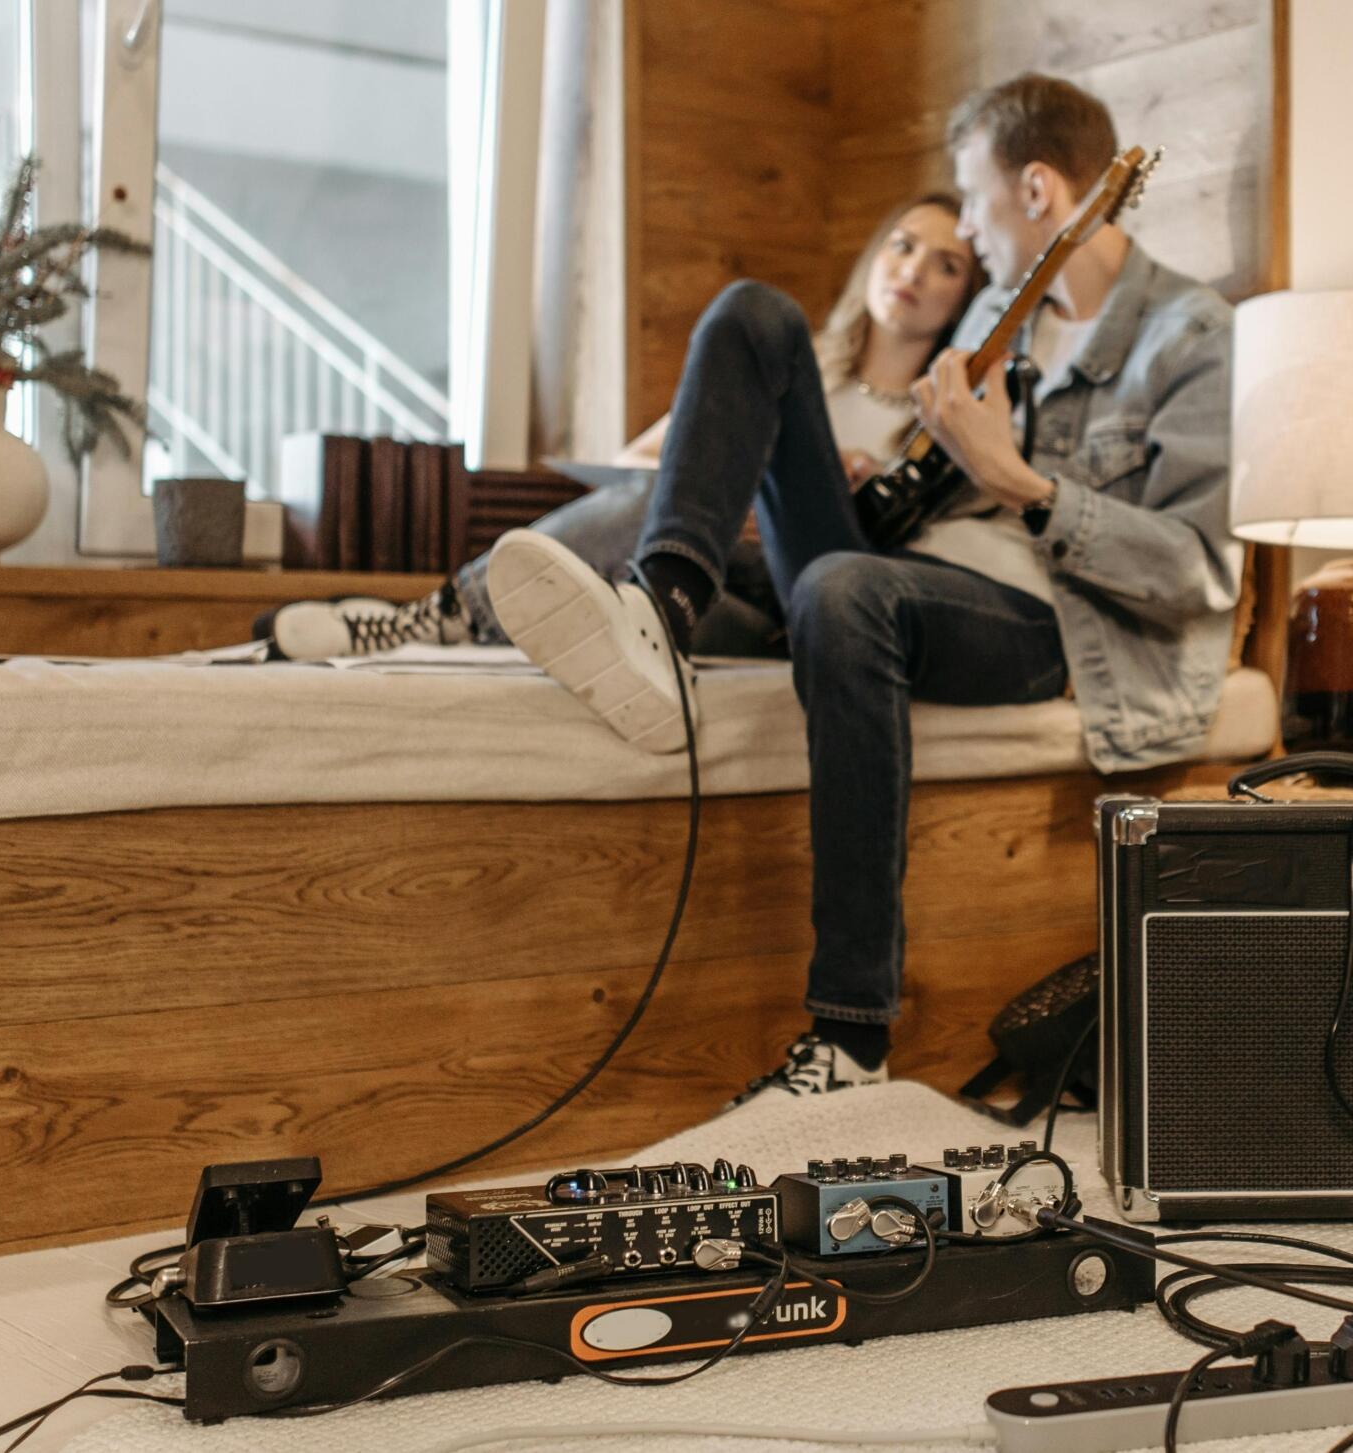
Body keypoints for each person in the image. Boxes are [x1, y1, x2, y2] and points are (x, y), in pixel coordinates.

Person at [484, 73, 1238, 1107]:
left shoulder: (1189, 335)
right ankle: (654, 611)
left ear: (1036, 191)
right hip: (901, 564)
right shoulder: (994, 317)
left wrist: (1019, 480)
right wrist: (875, 478)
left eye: (970, 202)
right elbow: (932, 493)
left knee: (839, 591)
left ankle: (848, 1040)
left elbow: (1197, 571)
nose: (964, 229)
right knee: (754, 318)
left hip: (1049, 622)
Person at [261, 194, 983, 660]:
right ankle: (441, 615)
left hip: (805, 599)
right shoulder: (797, 372)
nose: (914, 270)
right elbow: (639, 457)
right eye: (903, 244)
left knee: (628, 588)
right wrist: (733, 492)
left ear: (963, 299)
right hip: (716, 566)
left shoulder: (936, 414)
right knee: (644, 521)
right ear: (874, 255)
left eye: (945, 265)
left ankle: (437, 619)